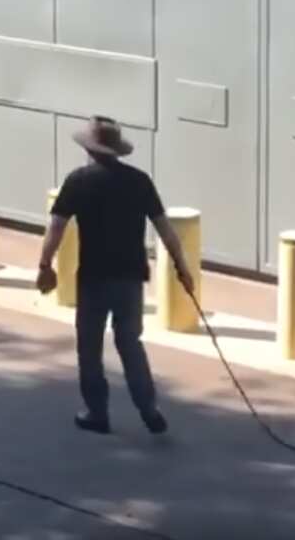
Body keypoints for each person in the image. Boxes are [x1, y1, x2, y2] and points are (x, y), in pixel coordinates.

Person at [36, 116, 193, 436]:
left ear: (89, 149)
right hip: (130, 277)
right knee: (130, 343)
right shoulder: (139, 181)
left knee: (89, 347)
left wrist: (44, 266)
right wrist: (183, 268)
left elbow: (56, 228)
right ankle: (148, 408)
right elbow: (166, 230)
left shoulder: (79, 180)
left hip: (94, 277)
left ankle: (97, 413)